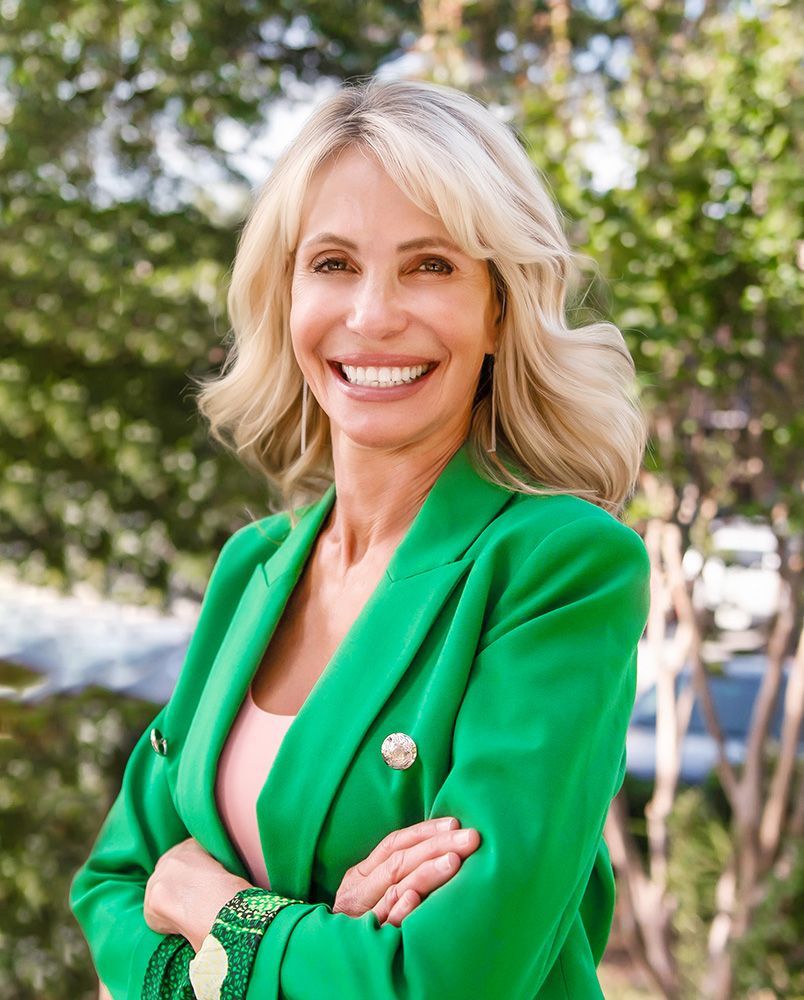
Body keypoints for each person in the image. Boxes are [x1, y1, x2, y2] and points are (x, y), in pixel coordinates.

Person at [70, 78, 650, 1000]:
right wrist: (330, 948)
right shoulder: (252, 570)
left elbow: (447, 981)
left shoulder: (560, 568)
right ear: (285, 294)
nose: (373, 315)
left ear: (499, 307)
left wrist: (216, 907)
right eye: (333, 264)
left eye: (430, 266)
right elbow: (109, 889)